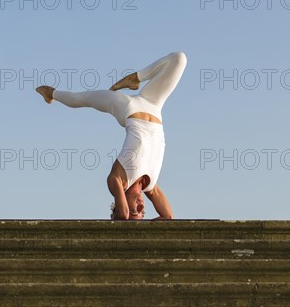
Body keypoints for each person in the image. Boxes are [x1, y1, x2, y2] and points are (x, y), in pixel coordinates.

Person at [36, 51, 187, 220]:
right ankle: (136, 77)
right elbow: (168, 218)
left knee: (82, 98)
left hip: (128, 108)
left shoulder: (117, 180)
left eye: (135, 210)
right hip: (153, 105)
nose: (141, 206)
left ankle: (52, 94)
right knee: (179, 59)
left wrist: (126, 218)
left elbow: (122, 215)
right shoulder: (150, 186)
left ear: (118, 205)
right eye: (143, 212)